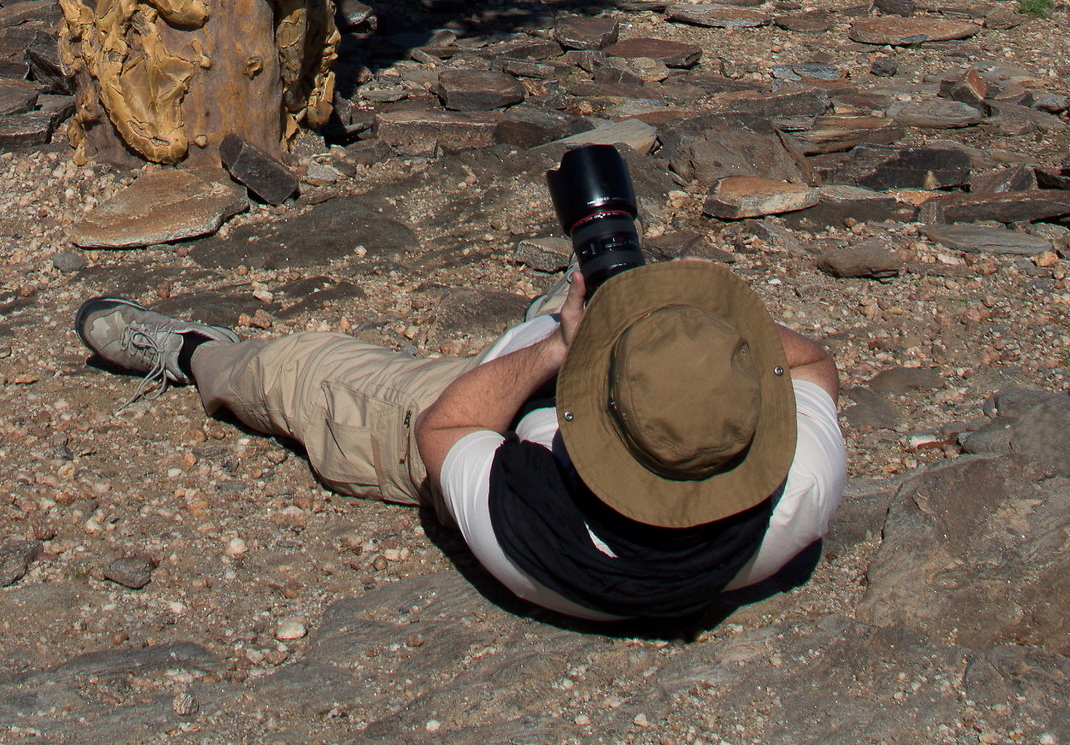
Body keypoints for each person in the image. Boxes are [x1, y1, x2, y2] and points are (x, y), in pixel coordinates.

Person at [75, 259, 844, 623]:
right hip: (592, 397)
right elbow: (815, 363)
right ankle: (566, 312)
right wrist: (683, 342)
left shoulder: (530, 523)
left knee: (304, 373)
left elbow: (443, 427)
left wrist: (564, 349)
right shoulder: (796, 496)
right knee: (640, 315)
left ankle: (192, 354)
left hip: (489, 413)